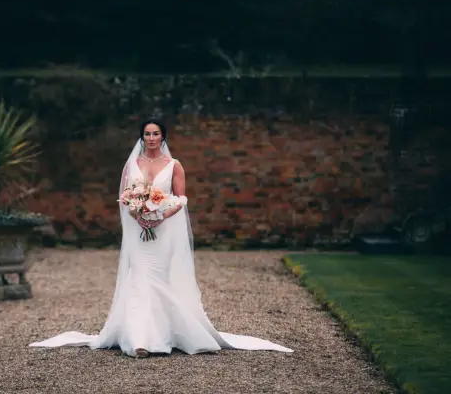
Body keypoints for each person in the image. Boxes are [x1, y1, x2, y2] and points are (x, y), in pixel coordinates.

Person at [29, 118, 293, 358]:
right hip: (138, 229)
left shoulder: (174, 166)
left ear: (163, 137)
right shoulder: (132, 164)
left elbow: (181, 198)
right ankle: (140, 339)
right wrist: (137, 213)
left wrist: (162, 215)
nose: (151, 138)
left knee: (160, 278)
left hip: (164, 230)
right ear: (142, 138)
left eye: (156, 133)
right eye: (147, 134)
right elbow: (124, 197)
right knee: (139, 277)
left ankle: (171, 330)